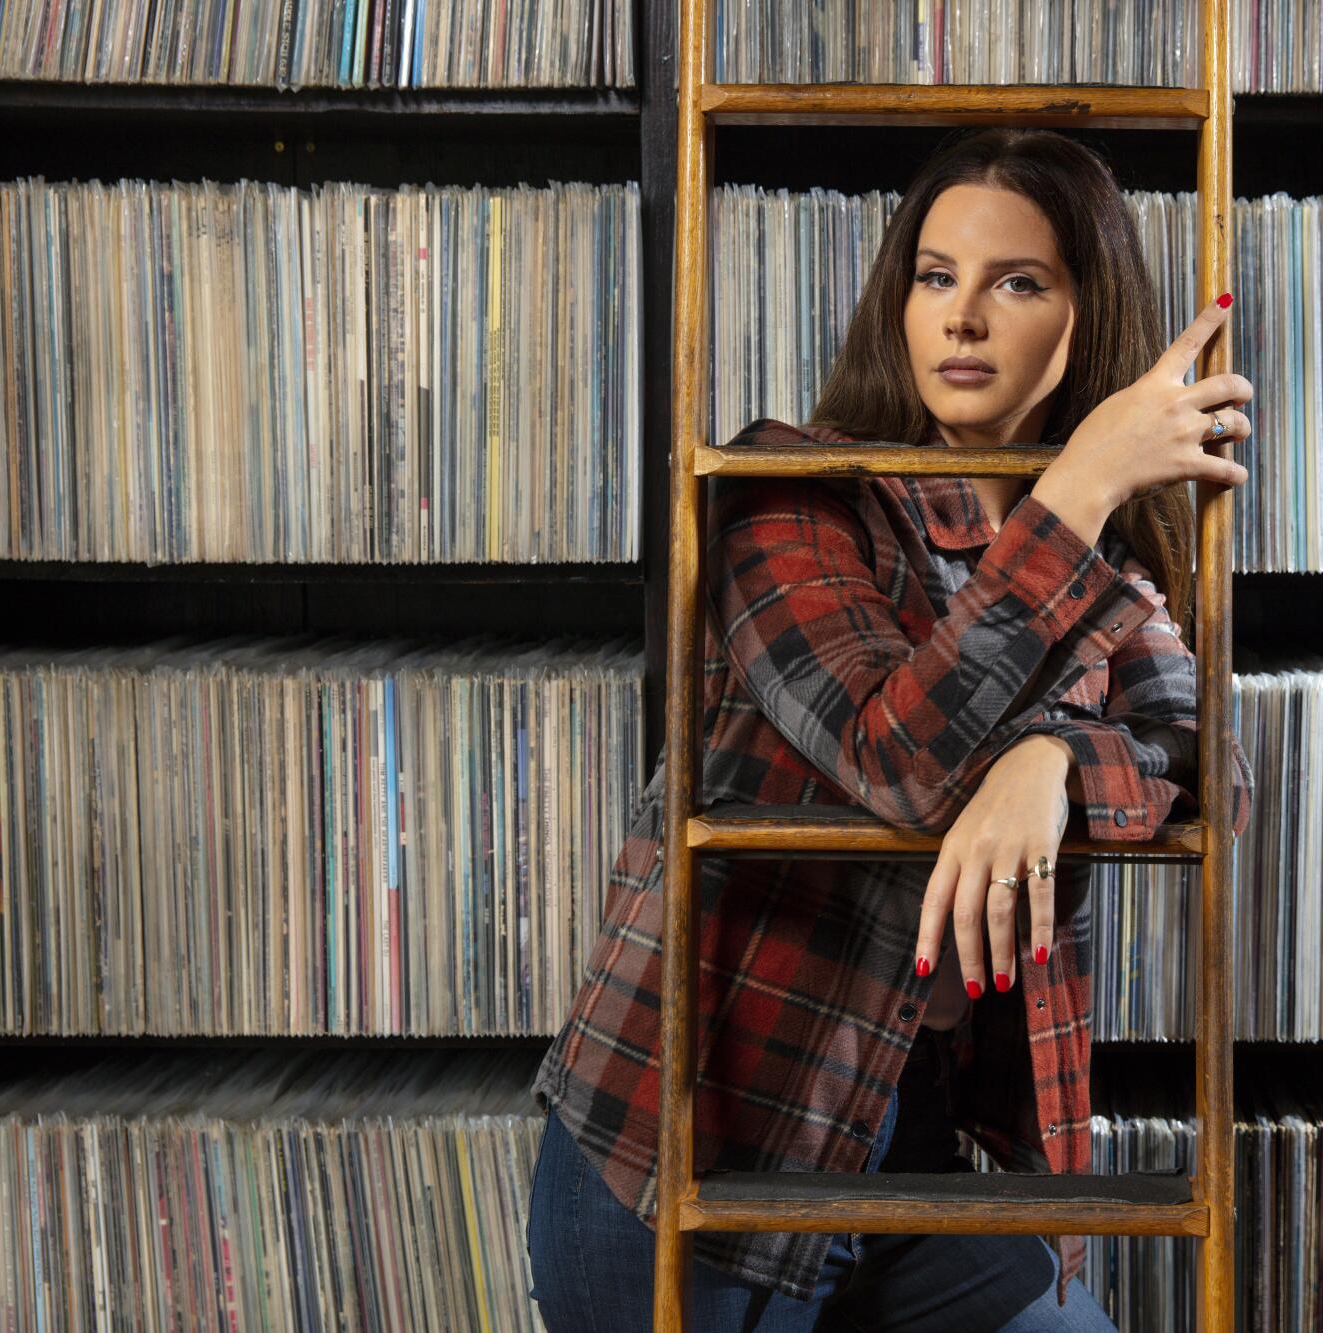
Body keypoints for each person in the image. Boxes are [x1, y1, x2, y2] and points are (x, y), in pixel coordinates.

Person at [526, 125, 1256, 1331]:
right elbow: (894, 757)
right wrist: (1078, 484)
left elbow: (1204, 773)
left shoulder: (1109, 582)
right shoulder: (788, 490)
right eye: (935, 276)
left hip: (907, 1144)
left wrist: (1051, 764)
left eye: (1015, 281)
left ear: (1088, 315)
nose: (962, 317)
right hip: (690, 1151)